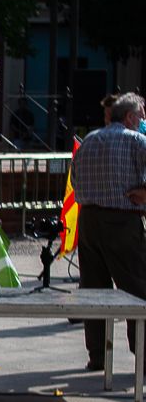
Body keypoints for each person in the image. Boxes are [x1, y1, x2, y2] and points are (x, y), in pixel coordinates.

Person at [70, 93, 146, 372]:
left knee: (93, 290)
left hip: (88, 221)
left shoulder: (89, 140)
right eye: (142, 115)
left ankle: (98, 355)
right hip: (123, 221)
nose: (144, 121)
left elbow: (75, 180)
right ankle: (144, 357)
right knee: (138, 291)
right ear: (130, 117)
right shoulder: (137, 141)